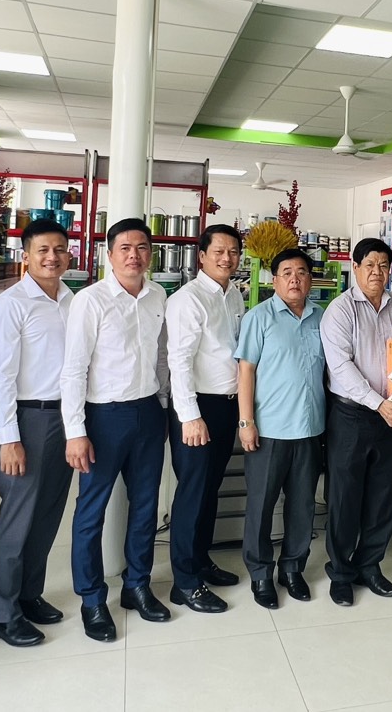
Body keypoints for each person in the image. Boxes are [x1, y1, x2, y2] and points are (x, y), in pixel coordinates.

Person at [62, 218, 170, 642]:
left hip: (147, 411)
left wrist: (162, 405)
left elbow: (161, 356)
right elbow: (73, 369)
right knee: (92, 510)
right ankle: (92, 599)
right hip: (103, 417)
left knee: (145, 506)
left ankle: (137, 585)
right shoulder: (90, 301)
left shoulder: (158, 295)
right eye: (124, 248)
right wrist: (75, 431)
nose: (134, 255)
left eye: (141, 247)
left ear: (150, 254)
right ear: (109, 255)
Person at [0, 218, 74, 648]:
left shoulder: (71, 300)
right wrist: (9, 438)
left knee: (48, 513)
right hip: (27, 419)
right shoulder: (11, 305)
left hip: (66, 419)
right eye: (43, 250)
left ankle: (29, 594)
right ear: (27, 256)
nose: (52, 257)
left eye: (59, 249)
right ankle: (3, 614)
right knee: (17, 518)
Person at [320, 237, 392, 606]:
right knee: (345, 496)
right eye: (369, 265)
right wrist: (378, 404)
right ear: (355, 268)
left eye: (383, 265)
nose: (377, 272)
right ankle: (341, 573)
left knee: (383, 495)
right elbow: (340, 367)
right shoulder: (339, 311)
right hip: (351, 415)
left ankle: (370, 565)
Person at [237, 248, 326, 609]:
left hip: (310, 428)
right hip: (270, 430)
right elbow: (245, 371)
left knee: (303, 505)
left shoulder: (322, 317)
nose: (294, 279)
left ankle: (292, 568)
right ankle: (260, 574)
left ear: (310, 279)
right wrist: (246, 422)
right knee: (261, 505)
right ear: (273, 280)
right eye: (286, 272)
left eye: (301, 272)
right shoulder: (258, 318)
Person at [166, 223, 246, 614]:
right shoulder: (188, 300)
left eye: (233, 252)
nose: (227, 258)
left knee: (209, 489)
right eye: (219, 251)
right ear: (202, 256)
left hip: (226, 405)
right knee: (192, 493)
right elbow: (178, 361)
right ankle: (184, 582)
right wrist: (190, 416)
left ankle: (200, 561)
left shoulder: (234, 295)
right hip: (197, 408)